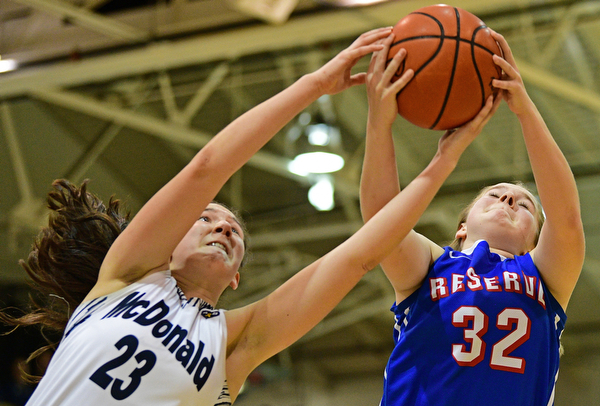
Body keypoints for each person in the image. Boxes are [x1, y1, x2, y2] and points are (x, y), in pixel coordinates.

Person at [0, 27, 476, 406]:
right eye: (206, 218)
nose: (224, 227)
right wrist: (317, 84)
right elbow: (209, 167)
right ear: (167, 243)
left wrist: (440, 162)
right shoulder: (123, 278)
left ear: (236, 279)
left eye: (235, 231)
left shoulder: (236, 342)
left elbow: (359, 256)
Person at [360, 29, 585, 405]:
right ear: (462, 227)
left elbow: (566, 219)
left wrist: (525, 109)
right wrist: (379, 124)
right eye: (495, 195)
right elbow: (381, 220)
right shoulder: (432, 266)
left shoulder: (545, 277)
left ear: (535, 241)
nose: (509, 199)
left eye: (525, 204)